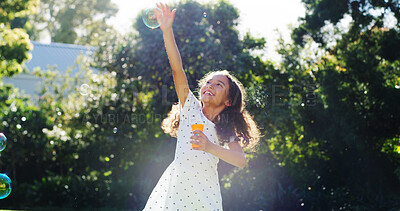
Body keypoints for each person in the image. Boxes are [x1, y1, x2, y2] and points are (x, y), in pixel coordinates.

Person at [143, 3, 260, 210]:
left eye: (219, 85)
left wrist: (210, 147)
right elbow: (177, 69)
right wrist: (167, 31)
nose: (210, 86)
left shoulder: (225, 130)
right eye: (208, 82)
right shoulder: (190, 109)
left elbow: (240, 160)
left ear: (228, 101)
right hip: (176, 191)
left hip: (204, 196)